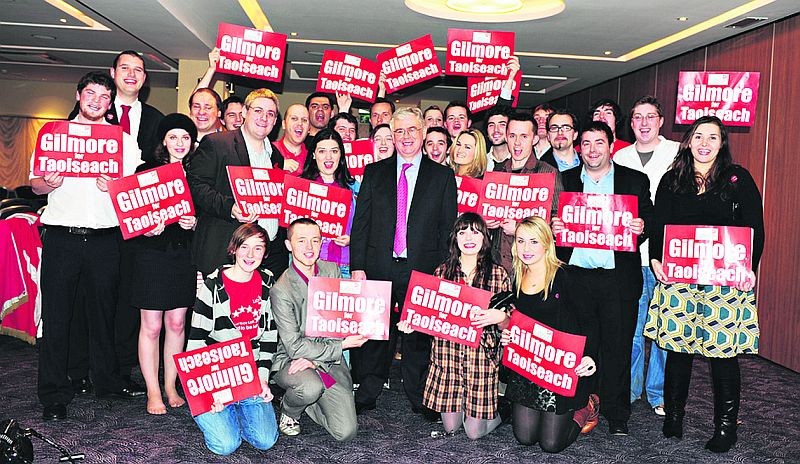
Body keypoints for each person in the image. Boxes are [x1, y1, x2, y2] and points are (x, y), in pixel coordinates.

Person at [644, 115, 764, 453]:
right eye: (699, 136)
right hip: (679, 278)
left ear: (722, 143)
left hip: (723, 283)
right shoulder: (671, 180)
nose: (705, 143)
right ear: (689, 141)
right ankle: (674, 417)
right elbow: (659, 224)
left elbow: (755, 227)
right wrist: (656, 258)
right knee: (677, 350)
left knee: (722, 356)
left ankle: (726, 428)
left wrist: (750, 267)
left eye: (713, 137)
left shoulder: (738, 179)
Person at [32, 71, 144, 421]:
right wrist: (47, 184)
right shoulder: (53, 134)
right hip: (62, 237)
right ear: (78, 94)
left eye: (104, 97)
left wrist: (115, 186)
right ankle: (54, 393)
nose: (97, 101)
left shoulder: (121, 140)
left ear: (111, 104)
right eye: (91, 93)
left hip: (104, 240)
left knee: (103, 314)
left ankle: (106, 381)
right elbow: (34, 185)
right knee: (57, 316)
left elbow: (133, 193)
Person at [350, 106, 458, 416]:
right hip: (377, 267)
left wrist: (441, 273)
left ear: (424, 133)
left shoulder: (442, 176)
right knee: (375, 335)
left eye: (412, 130)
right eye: (399, 131)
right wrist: (358, 266)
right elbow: (362, 224)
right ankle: (368, 392)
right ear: (392, 136)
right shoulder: (374, 171)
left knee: (418, 338)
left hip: (422, 271)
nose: (406, 137)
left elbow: (446, 229)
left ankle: (419, 395)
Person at [551, 121, 652, 436]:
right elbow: (547, 223)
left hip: (617, 279)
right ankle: (582, 405)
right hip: (574, 278)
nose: (592, 149)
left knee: (618, 347)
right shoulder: (564, 180)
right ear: (579, 148)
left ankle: (617, 412)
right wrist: (554, 228)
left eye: (599, 142)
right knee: (579, 346)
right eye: (586, 143)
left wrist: (642, 225)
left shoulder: (634, 180)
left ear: (611, 147)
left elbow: (650, 216)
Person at [399, 213, 512, 438]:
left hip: (480, 360)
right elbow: (429, 315)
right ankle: (463, 403)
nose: (468, 237)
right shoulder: (441, 272)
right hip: (447, 358)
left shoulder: (498, 274)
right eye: (462, 232)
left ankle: (504, 411)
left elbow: (507, 325)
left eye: (475, 231)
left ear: (485, 237)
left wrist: (499, 318)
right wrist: (414, 323)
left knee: (473, 433)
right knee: (451, 428)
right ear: (455, 238)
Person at [501, 216, 599, 452]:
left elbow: (591, 321)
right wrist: (509, 335)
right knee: (524, 437)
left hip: (561, 367)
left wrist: (590, 356)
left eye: (534, 242)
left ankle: (587, 407)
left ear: (547, 243)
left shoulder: (566, 276)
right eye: (521, 241)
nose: (526, 248)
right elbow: (521, 321)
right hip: (529, 366)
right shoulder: (516, 277)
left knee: (551, 444)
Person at [270, 218, 367, 441]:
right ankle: (289, 410)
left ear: (322, 243)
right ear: (288, 245)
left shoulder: (331, 270)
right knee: (310, 387)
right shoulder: (281, 289)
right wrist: (342, 345)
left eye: (315, 240)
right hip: (292, 361)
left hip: (325, 361)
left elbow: (343, 319)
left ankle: (311, 402)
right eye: (301, 241)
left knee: (346, 433)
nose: (309, 247)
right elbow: (294, 347)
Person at [614, 96, 680, 416]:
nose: (643, 123)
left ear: (661, 121)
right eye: (637, 117)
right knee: (633, 328)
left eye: (650, 117)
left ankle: (658, 392)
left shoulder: (678, 153)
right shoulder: (620, 156)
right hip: (629, 257)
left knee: (664, 330)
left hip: (667, 258)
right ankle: (629, 389)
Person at [187, 223, 279, 455]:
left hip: (249, 377)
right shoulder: (212, 286)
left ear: (265, 253)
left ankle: (237, 410)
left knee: (266, 440)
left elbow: (269, 338)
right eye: (245, 247)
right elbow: (196, 342)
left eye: (258, 249)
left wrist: (263, 379)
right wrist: (208, 392)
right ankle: (217, 411)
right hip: (216, 376)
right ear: (234, 249)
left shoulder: (268, 283)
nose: (250, 255)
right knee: (225, 445)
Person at [131, 113, 198, 415]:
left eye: (185, 137)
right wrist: (146, 226)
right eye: (173, 137)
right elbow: (131, 216)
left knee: (177, 323)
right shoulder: (145, 171)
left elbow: (207, 217)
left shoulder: (197, 175)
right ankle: (153, 391)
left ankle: (171, 385)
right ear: (163, 141)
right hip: (151, 256)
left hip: (182, 256)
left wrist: (194, 222)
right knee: (153, 325)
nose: (180, 143)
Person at [187, 88, 288, 279]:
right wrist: (229, 207)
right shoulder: (217, 144)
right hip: (225, 250)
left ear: (275, 121)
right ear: (244, 113)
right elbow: (195, 186)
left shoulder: (276, 156)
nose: (264, 118)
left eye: (270, 114)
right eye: (258, 111)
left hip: (265, 256)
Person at [491, 112, 562, 276]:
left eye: (524, 136)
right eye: (512, 135)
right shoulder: (497, 172)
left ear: (535, 139)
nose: (517, 142)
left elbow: (555, 223)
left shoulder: (548, 173)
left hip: (530, 267)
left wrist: (518, 229)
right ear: (506, 137)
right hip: (497, 266)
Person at [300, 129, 359, 277]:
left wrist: (353, 239)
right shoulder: (301, 186)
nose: (328, 157)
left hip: (345, 267)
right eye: (322, 151)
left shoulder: (355, 187)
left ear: (341, 154)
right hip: (309, 265)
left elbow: (366, 225)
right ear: (313, 154)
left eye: (334, 151)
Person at [275, 104, 310, 176]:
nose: (300, 123)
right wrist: (278, 165)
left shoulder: (313, 159)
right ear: (284, 124)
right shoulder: (268, 150)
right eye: (294, 118)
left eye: (304, 120)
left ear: (309, 128)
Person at [484, 105, 512, 170]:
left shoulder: (521, 162)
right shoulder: (480, 163)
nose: (496, 129)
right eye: (491, 125)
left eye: (502, 125)